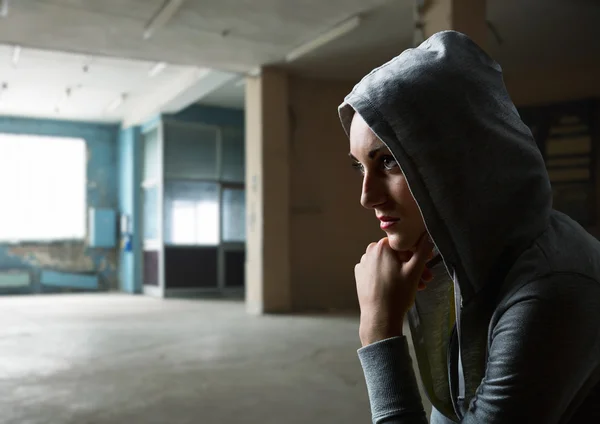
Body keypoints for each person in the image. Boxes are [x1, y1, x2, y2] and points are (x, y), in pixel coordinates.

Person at [338, 30, 600, 424]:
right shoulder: (471, 253)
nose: (367, 197)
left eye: (390, 161)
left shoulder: (550, 291)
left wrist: (379, 332)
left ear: (457, 162)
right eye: (360, 166)